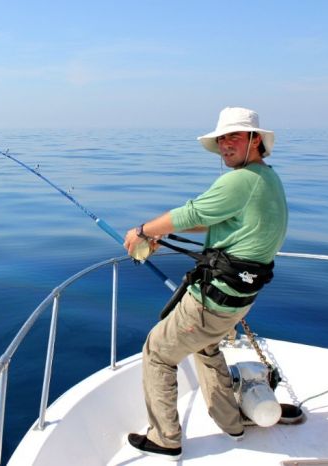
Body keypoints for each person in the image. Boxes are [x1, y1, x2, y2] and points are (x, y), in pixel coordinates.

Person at [122, 107, 288, 461]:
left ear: (255, 140)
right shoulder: (267, 179)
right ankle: (231, 422)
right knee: (206, 346)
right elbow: (212, 218)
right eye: (222, 138)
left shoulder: (240, 180)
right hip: (239, 298)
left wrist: (141, 232)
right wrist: (161, 232)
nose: (226, 144)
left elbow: (194, 213)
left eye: (234, 137)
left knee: (157, 352)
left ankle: (165, 438)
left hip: (212, 300)